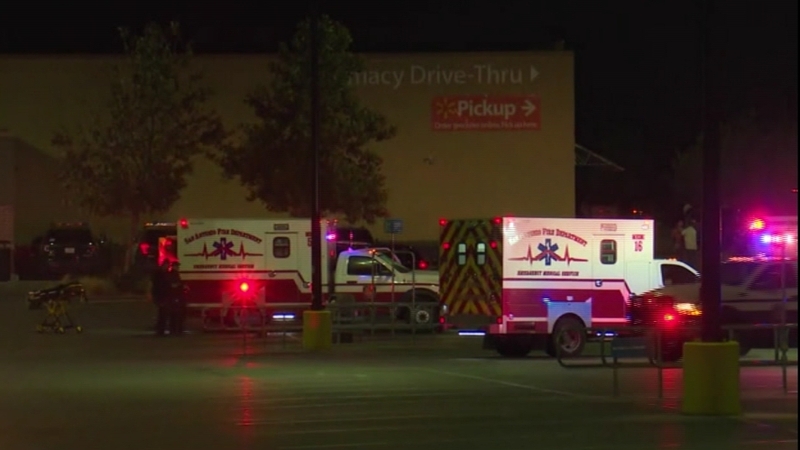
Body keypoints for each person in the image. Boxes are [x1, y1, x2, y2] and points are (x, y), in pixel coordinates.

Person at [151, 260, 186, 336]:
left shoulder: (167, 274)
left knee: (168, 313)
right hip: (163, 296)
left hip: (167, 296)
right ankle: (162, 330)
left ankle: (167, 329)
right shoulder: (161, 274)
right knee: (164, 314)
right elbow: (159, 286)